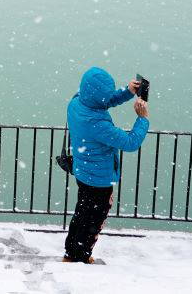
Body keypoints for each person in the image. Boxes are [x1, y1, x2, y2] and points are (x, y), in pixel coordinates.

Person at [63, 66, 149, 264]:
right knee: (93, 220)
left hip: (83, 172)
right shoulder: (97, 123)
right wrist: (142, 119)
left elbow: (101, 101)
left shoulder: (76, 103)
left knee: (81, 214)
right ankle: (81, 257)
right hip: (99, 180)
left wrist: (127, 92)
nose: (107, 97)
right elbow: (130, 143)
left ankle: (71, 251)